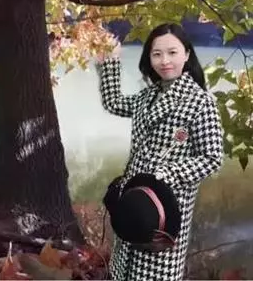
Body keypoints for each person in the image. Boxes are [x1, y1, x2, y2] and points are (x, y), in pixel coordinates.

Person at [95, 23, 224, 281]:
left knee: (155, 270)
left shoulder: (200, 102)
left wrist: (167, 174)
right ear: (149, 58)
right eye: (157, 54)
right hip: (134, 199)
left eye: (172, 52)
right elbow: (114, 103)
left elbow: (212, 158)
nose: (165, 61)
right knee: (125, 265)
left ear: (187, 54)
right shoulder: (148, 96)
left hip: (166, 203)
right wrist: (109, 61)